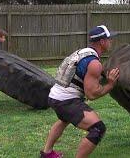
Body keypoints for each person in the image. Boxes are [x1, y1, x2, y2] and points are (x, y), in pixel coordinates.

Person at [40, 25, 120, 158]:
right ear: (102, 42)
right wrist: (110, 84)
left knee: (63, 119)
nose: (110, 41)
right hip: (65, 100)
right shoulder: (94, 63)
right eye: (109, 39)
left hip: (55, 95)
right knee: (98, 128)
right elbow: (91, 94)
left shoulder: (83, 52)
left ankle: (47, 154)